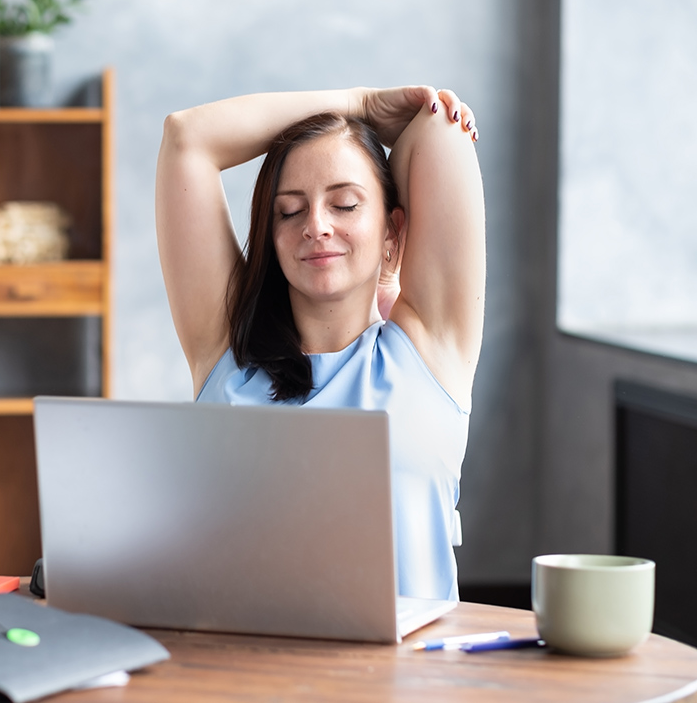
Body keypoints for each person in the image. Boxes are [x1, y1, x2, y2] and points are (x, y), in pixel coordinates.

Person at [155, 86, 484, 600]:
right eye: (289, 212)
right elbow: (187, 137)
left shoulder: (429, 350)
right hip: (241, 670)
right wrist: (359, 105)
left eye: (346, 204)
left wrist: (372, 126)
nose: (316, 226)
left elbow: (438, 128)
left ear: (392, 234)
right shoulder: (227, 353)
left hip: (409, 675)